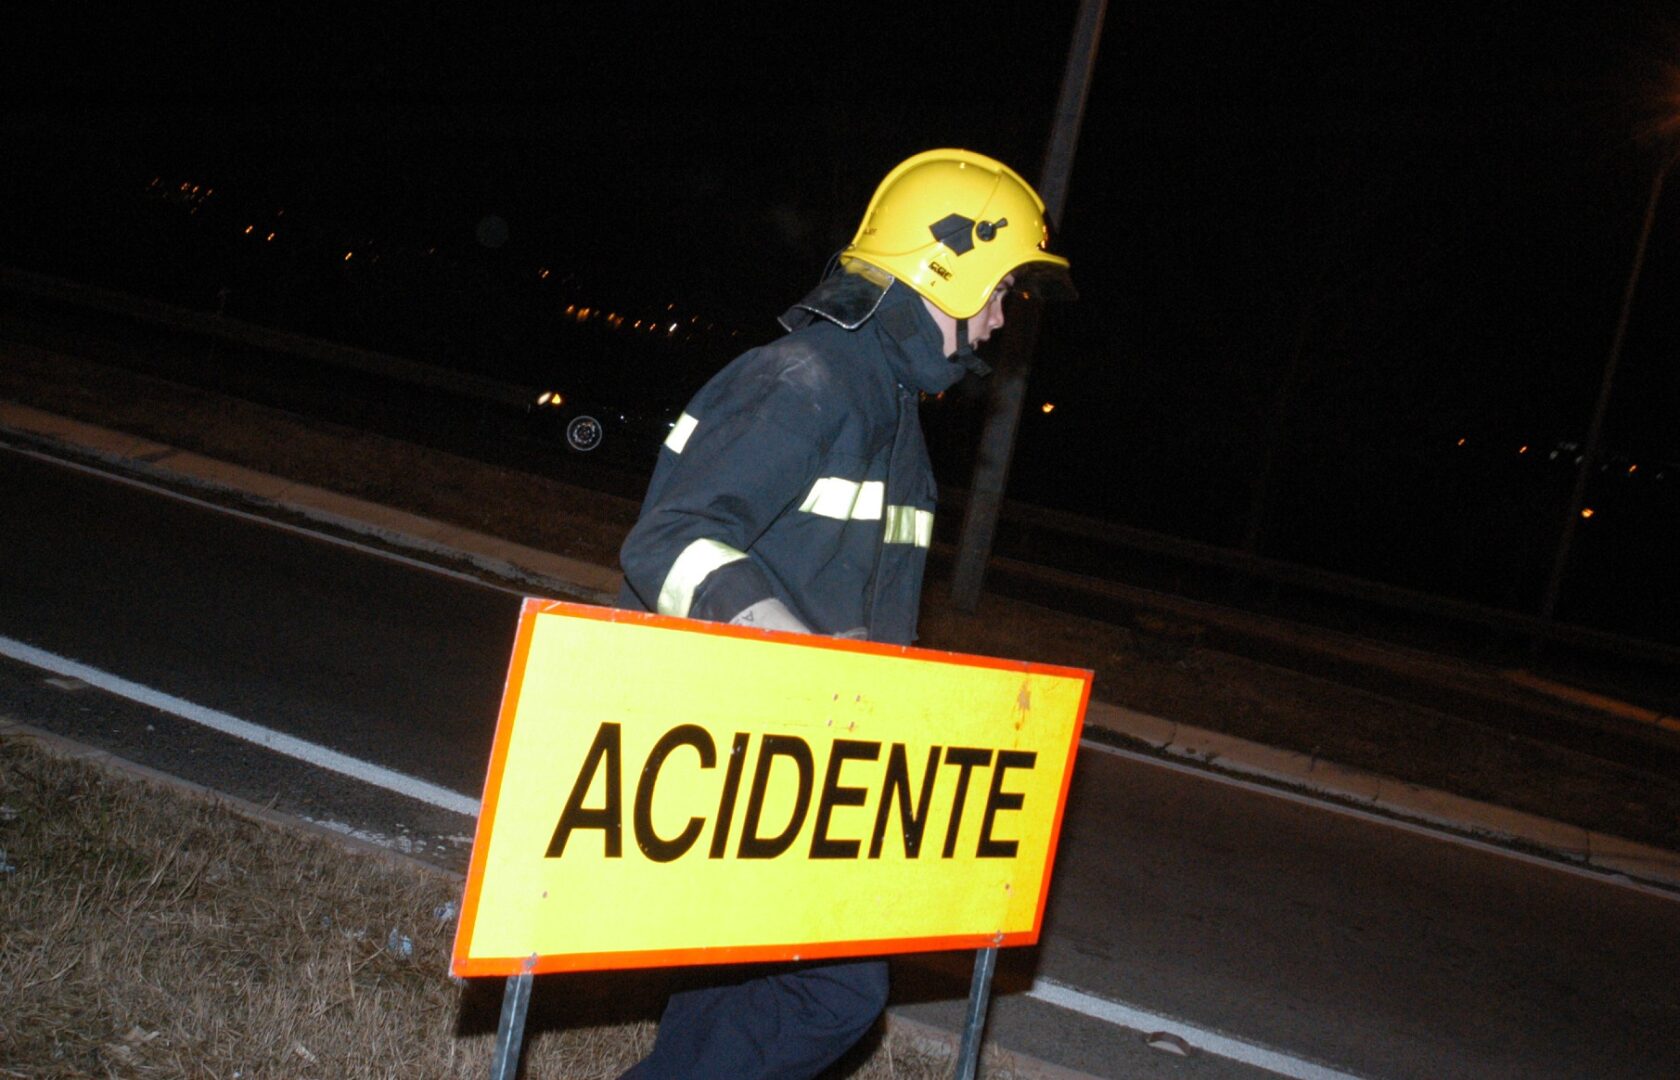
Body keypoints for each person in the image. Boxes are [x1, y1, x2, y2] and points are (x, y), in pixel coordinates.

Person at [614, 147, 1075, 1080]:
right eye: (998, 293)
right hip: (749, 752)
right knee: (834, 991)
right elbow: (669, 540)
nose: (997, 320)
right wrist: (804, 657)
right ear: (945, 266)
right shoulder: (809, 380)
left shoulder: (887, 403)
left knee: (734, 983)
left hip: (803, 761)